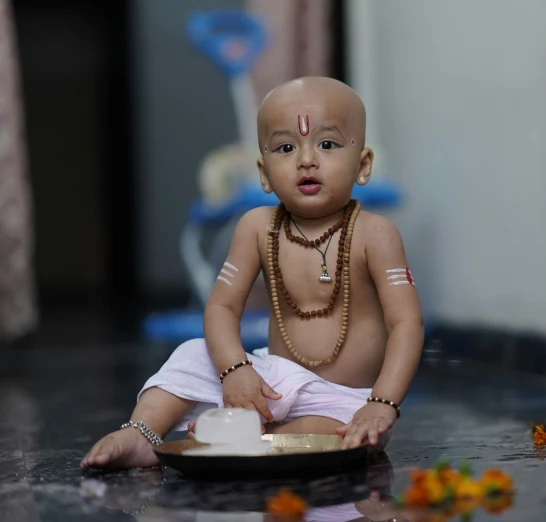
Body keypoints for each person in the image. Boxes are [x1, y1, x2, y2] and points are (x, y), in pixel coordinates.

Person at [81, 77, 424, 470]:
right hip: (271, 382)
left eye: (327, 144)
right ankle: (143, 433)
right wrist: (236, 369)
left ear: (362, 165)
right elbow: (222, 308)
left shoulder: (375, 234)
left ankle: (248, 439)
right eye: (285, 147)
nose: (306, 160)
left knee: (338, 436)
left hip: (347, 400)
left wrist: (382, 404)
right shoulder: (257, 228)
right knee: (191, 354)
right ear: (264, 173)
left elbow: (406, 324)